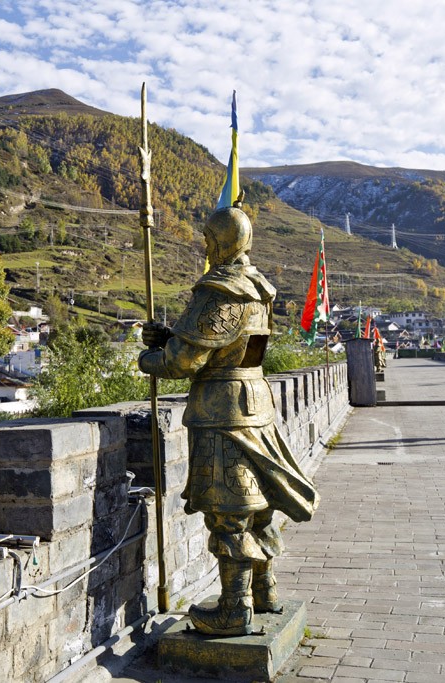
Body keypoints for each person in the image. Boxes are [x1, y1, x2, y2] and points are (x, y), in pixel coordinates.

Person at [138, 205, 319, 636]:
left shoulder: (220, 290)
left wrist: (151, 358)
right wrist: (169, 337)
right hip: (256, 402)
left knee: (228, 509)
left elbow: (185, 361)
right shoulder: (259, 289)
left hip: (222, 411)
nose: (205, 247)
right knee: (257, 505)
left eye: (208, 239)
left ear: (222, 242)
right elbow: (227, 343)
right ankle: (264, 590)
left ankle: (234, 609)